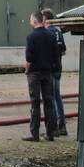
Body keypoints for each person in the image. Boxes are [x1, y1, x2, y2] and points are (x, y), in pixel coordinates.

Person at [23, 10, 59, 142]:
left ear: (34, 21)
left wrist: (27, 70)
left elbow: (29, 58)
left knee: (35, 102)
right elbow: (56, 56)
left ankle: (35, 134)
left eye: (30, 19)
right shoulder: (50, 36)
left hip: (34, 73)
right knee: (49, 102)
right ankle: (50, 133)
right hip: (48, 72)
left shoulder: (31, 37)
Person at [42, 8, 68, 136]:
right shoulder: (58, 32)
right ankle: (62, 125)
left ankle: (54, 127)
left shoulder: (46, 33)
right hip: (58, 68)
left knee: (51, 98)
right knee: (57, 97)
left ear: (45, 19)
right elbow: (63, 51)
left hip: (49, 69)